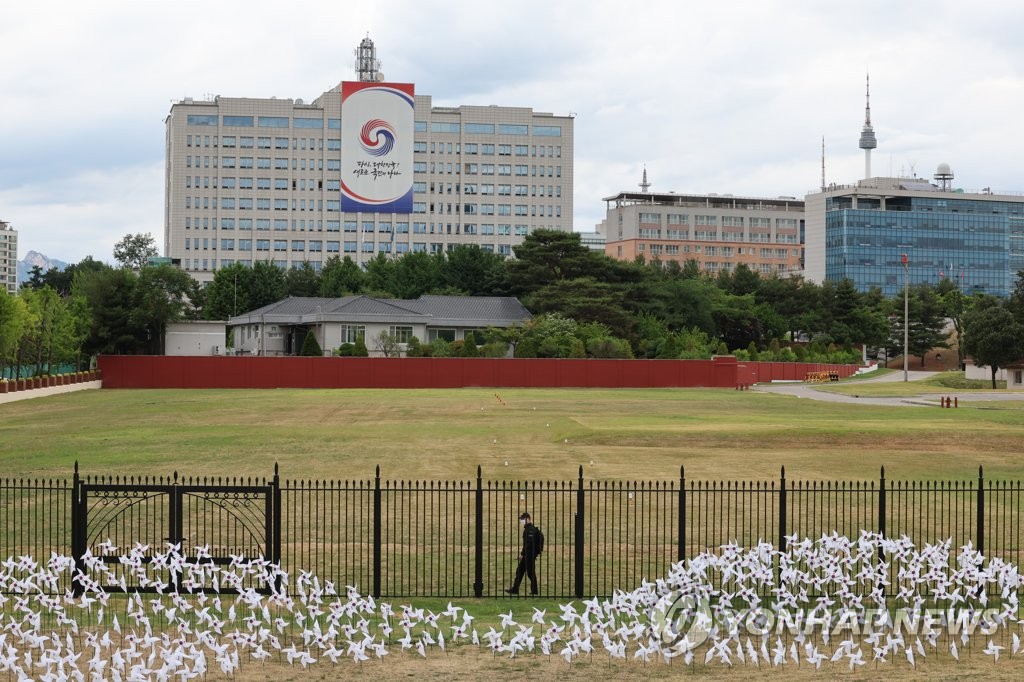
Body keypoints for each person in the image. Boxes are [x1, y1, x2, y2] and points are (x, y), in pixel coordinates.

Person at [505, 512, 539, 595]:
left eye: (523, 519)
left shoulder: (530, 529)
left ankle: (534, 591)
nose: (522, 521)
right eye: (521, 519)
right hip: (527, 555)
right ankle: (515, 589)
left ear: (528, 519)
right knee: (520, 571)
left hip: (529, 555)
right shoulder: (528, 529)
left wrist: (522, 554)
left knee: (530, 573)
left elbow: (528, 544)